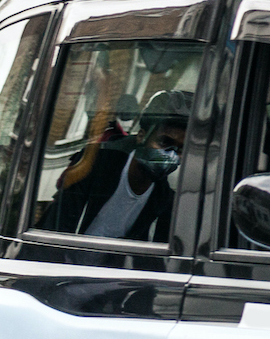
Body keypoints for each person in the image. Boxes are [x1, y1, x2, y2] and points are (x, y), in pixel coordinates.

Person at [42, 90, 190, 243]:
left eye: (180, 149)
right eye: (164, 142)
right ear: (141, 137)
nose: (170, 155)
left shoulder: (165, 201)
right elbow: (54, 230)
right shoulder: (93, 164)